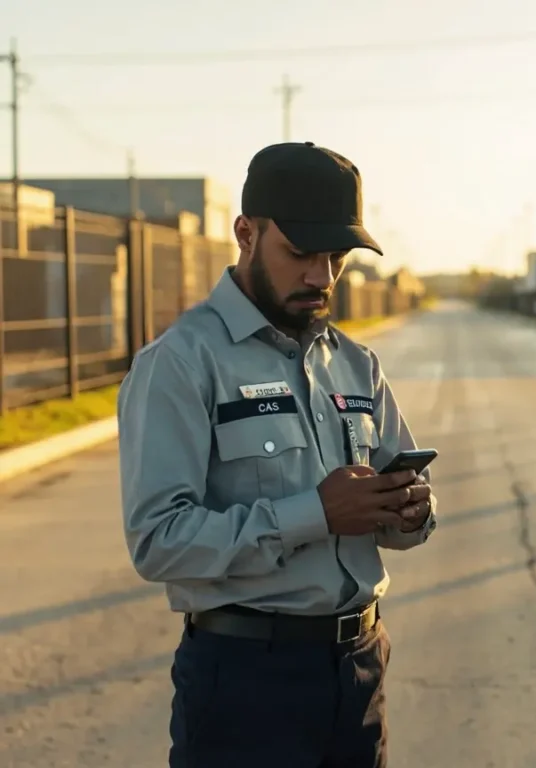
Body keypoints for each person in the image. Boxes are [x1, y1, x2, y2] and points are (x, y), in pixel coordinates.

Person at [117, 141, 437, 768]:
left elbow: (404, 519)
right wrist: (315, 513)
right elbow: (157, 540)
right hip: (245, 682)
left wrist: (410, 512)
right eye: (299, 254)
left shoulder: (353, 363)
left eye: (336, 257)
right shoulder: (182, 363)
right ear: (245, 232)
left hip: (361, 668)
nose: (321, 275)